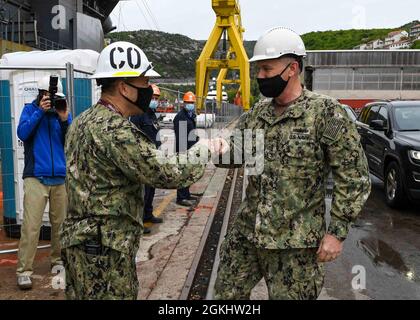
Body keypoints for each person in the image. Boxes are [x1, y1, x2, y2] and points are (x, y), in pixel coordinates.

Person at [214, 27, 371, 300]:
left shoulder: (325, 113)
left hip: (295, 246)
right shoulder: (256, 115)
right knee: (225, 296)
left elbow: (353, 176)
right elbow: (236, 153)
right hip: (247, 235)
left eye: (266, 69)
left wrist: (337, 232)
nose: (260, 77)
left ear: (292, 69)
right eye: (258, 70)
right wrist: (214, 149)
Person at [60, 41, 226, 300]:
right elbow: (165, 172)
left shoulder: (83, 121)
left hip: (82, 243)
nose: (149, 90)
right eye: (144, 83)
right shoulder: (115, 130)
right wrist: (204, 148)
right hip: (105, 249)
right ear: (124, 87)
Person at [16, 75, 72, 290]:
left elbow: (71, 140)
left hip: (59, 177)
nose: (54, 101)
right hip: (36, 177)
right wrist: (40, 111)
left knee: (60, 225)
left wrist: (65, 118)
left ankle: (58, 262)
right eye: (50, 97)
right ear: (41, 95)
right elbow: (22, 133)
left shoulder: (60, 115)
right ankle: (24, 271)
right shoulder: (30, 111)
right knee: (31, 227)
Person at [130, 84, 163, 234]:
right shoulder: (139, 114)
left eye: (156, 98)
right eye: (153, 98)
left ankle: (149, 214)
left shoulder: (152, 114)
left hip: (154, 157)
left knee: (151, 190)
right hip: (143, 159)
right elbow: (133, 135)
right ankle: (140, 221)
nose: (154, 100)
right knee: (142, 192)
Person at [173, 92, 200, 207]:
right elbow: (181, 137)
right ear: (183, 103)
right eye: (188, 103)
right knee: (183, 174)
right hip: (183, 149)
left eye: (192, 103)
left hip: (190, 148)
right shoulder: (180, 117)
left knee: (188, 173)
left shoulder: (191, 115)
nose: (190, 104)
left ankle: (187, 194)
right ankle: (181, 197)